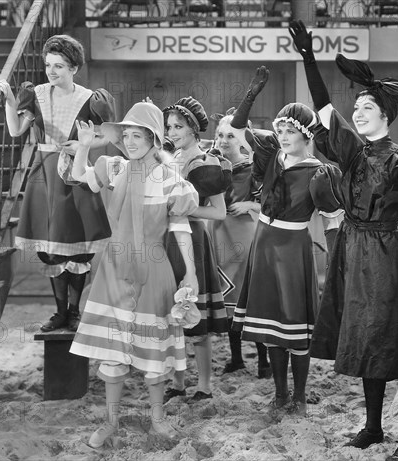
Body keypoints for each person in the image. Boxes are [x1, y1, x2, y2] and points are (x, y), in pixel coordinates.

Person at [289, 20, 398, 460]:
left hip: (385, 253)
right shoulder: (350, 150)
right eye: (357, 107)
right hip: (351, 249)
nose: (358, 112)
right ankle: (373, 427)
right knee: (366, 338)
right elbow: (324, 105)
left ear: (385, 114)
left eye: (366, 107)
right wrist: (308, 56)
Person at [68, 101, 200, 446]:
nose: (129, 141)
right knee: (113, 353)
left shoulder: (172, 180)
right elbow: (77, 177)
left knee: (154, 356)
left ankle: (157, 419)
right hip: (113, 267)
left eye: (136, 135)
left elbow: (181, 230)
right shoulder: (113, 168)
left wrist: (191, 274)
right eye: (125, 135)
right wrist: (83, 146)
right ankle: (110, 422)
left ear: (153, 138)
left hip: (154, 269)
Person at [229, 67, 341, 415]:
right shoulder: (270, 155)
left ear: (306, 135)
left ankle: (301, 397)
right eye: (280, 130)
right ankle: (279, 395)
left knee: (295, 329)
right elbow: (237, 128)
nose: (282, 135)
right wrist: (251, 94)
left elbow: (332, 219)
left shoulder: (319, 172)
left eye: (290, 130)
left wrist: (338, 262)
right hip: (263, 246)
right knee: (271, 330)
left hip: (293, 252)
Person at [0, 35, 115, 332]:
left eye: (58, 66)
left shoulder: (90, 98)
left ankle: (75, 311)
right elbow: (16, 129)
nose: (51, 71)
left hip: (76, 175)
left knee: (78, 246)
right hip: (44, 174)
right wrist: (10, 101)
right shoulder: (36, 94)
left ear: (73, 68)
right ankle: (60, 312)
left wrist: (83, 146)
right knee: (49, 247)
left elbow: (110, 135)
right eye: (48, 65)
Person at [163, 96, 232, 401]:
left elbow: (219, 212)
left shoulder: (206, 162)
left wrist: (182, 209)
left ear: (192, 128)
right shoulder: (168, 158)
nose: (172, 131)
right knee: (171, 314)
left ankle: (204, 385)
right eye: (169, 126)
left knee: (195, 313)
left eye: (178, 126)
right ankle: (178, 382)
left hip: (192, 238)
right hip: (165, 239)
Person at [209, 110, 271, 379]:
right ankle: (236, 358)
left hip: (245, 237)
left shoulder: (255, 169)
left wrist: (248, 204)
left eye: (230, 136)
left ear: (243, 139)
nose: (224, 140)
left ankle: (264, 360)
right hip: (220, 234)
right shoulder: (211, 166)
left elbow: (272, 205)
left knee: (249, 297)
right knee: (227, 300)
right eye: (220, 135)